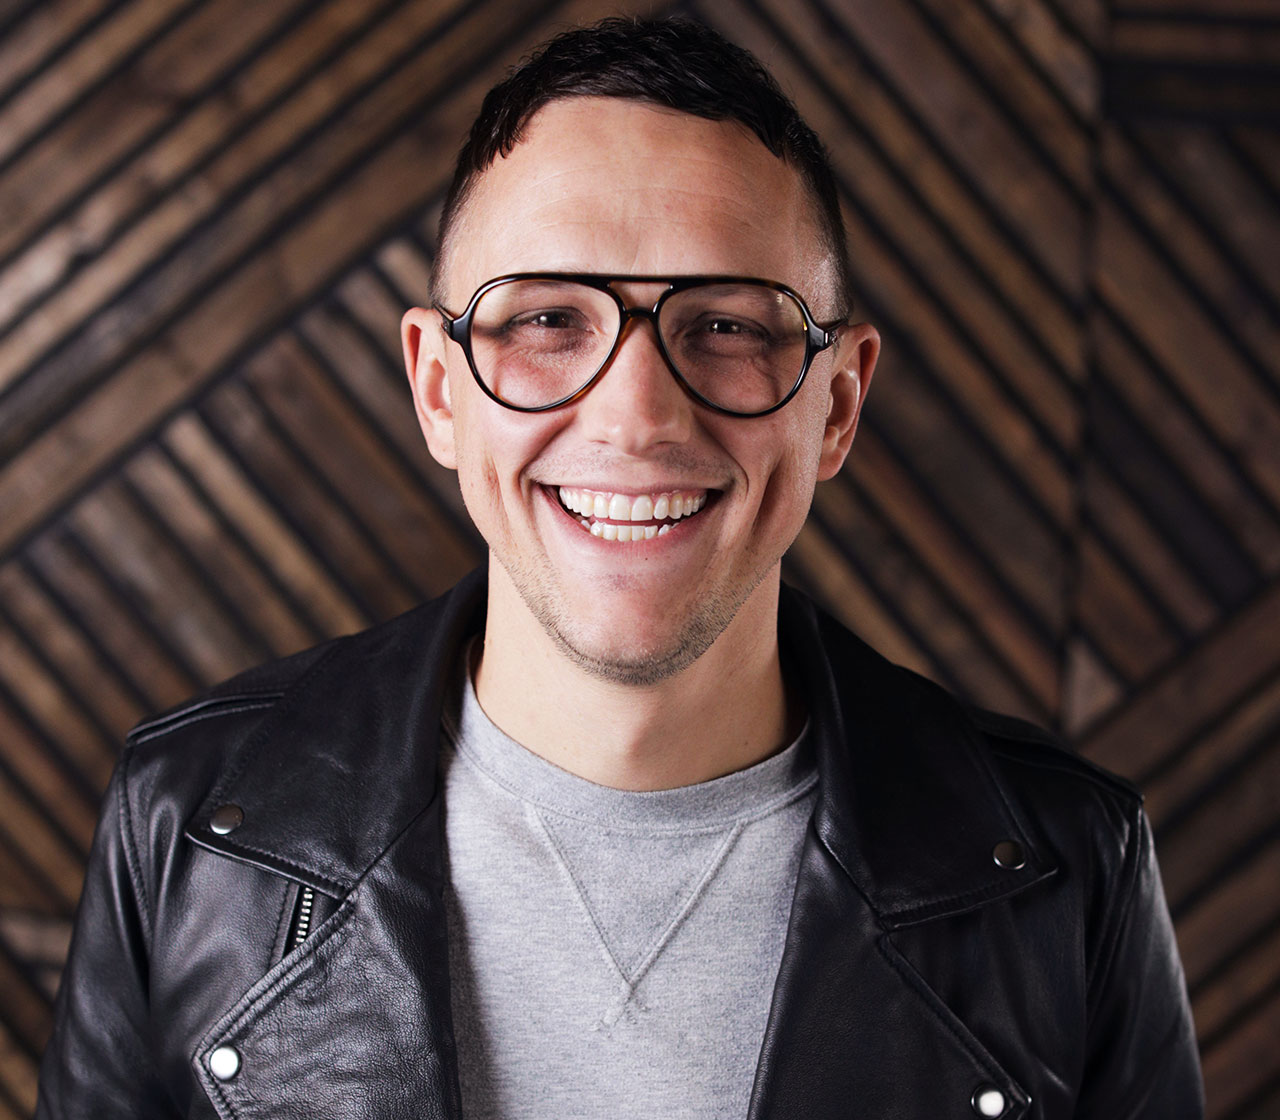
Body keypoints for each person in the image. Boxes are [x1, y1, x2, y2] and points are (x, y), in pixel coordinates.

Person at [37, 16, 1203, 1120]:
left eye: (727, 325)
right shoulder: (184, 820)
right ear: (438, 390)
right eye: (547, 321)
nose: (637, 417)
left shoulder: (1071, 867)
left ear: (838, 405)